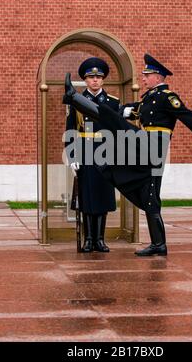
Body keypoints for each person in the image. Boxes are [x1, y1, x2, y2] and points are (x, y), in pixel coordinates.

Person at [63, 54, 192, 257]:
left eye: (147, 75)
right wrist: (121, 112)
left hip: (154, 147)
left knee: (113, 120)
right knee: (149, 197)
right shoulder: (147, 98)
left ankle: (73, 96)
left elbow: (189, 116)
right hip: (143, 147)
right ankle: (158, 244)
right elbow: (129, 112)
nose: (144, 78)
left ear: (158, 77)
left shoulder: (168, 97)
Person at [65, 57, 120, 252]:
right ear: (85, 81)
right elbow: (70, 131)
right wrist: (72, 159)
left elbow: (118, 131)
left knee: (103, 197)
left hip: (106, 156)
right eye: (91, 77)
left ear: (103, 79)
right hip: (85, 154)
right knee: (87, 198)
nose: (95, 80)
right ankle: (88, 239)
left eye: (98, 77)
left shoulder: (113, 103)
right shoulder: (77, 102)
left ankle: (100, 239)